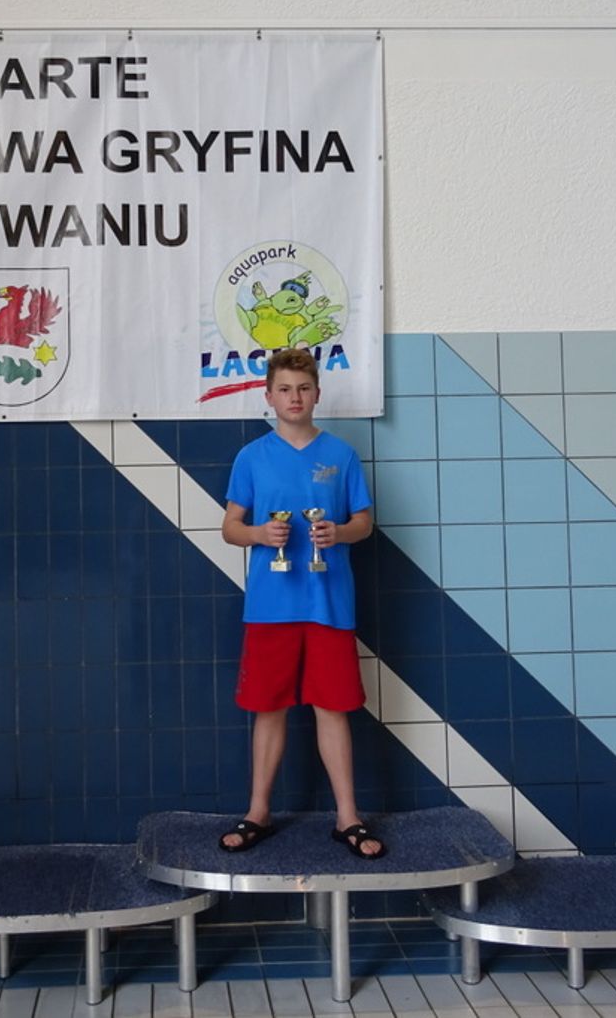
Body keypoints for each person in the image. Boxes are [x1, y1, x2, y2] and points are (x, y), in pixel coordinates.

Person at [219, 346, 384, 858]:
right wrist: (258, 534)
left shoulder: (341, 455)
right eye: (285, 389)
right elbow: (230, 527)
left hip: (328, 603)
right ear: (268, 396)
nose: (295, 397)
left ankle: (348, 817)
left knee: (333, 707)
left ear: (317, 394)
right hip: (270, 606)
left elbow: (364, 522)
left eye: (304, 389)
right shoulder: (251, 457)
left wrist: (340, 532)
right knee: (268, 709)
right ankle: (258, 812)